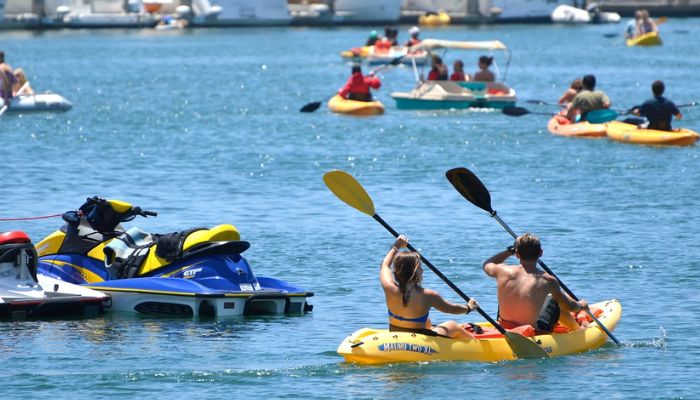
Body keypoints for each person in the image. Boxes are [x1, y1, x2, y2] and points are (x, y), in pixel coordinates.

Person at [482, 233, 587, 334]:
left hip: (504, 328)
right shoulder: (548, 280)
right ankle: (578, 331)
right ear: (541, 253)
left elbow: (487, 264)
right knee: (555, 300)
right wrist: (581, 306)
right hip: (531, 331)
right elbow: (570, 306)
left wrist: (510, 251)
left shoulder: (502, 271)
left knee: (507, 292)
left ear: (517, 254)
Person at [382, 235, 479, 338]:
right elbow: (451, 309)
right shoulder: (428, 295)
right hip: (419, 340)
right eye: (420, 267)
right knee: (452, 325)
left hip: (396, 334)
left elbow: (385, 265)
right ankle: (477, 345)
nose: (423, 270)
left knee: (428, 323)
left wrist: (397, 245)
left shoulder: (389, 288)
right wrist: (469, 307)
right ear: (415, 271)